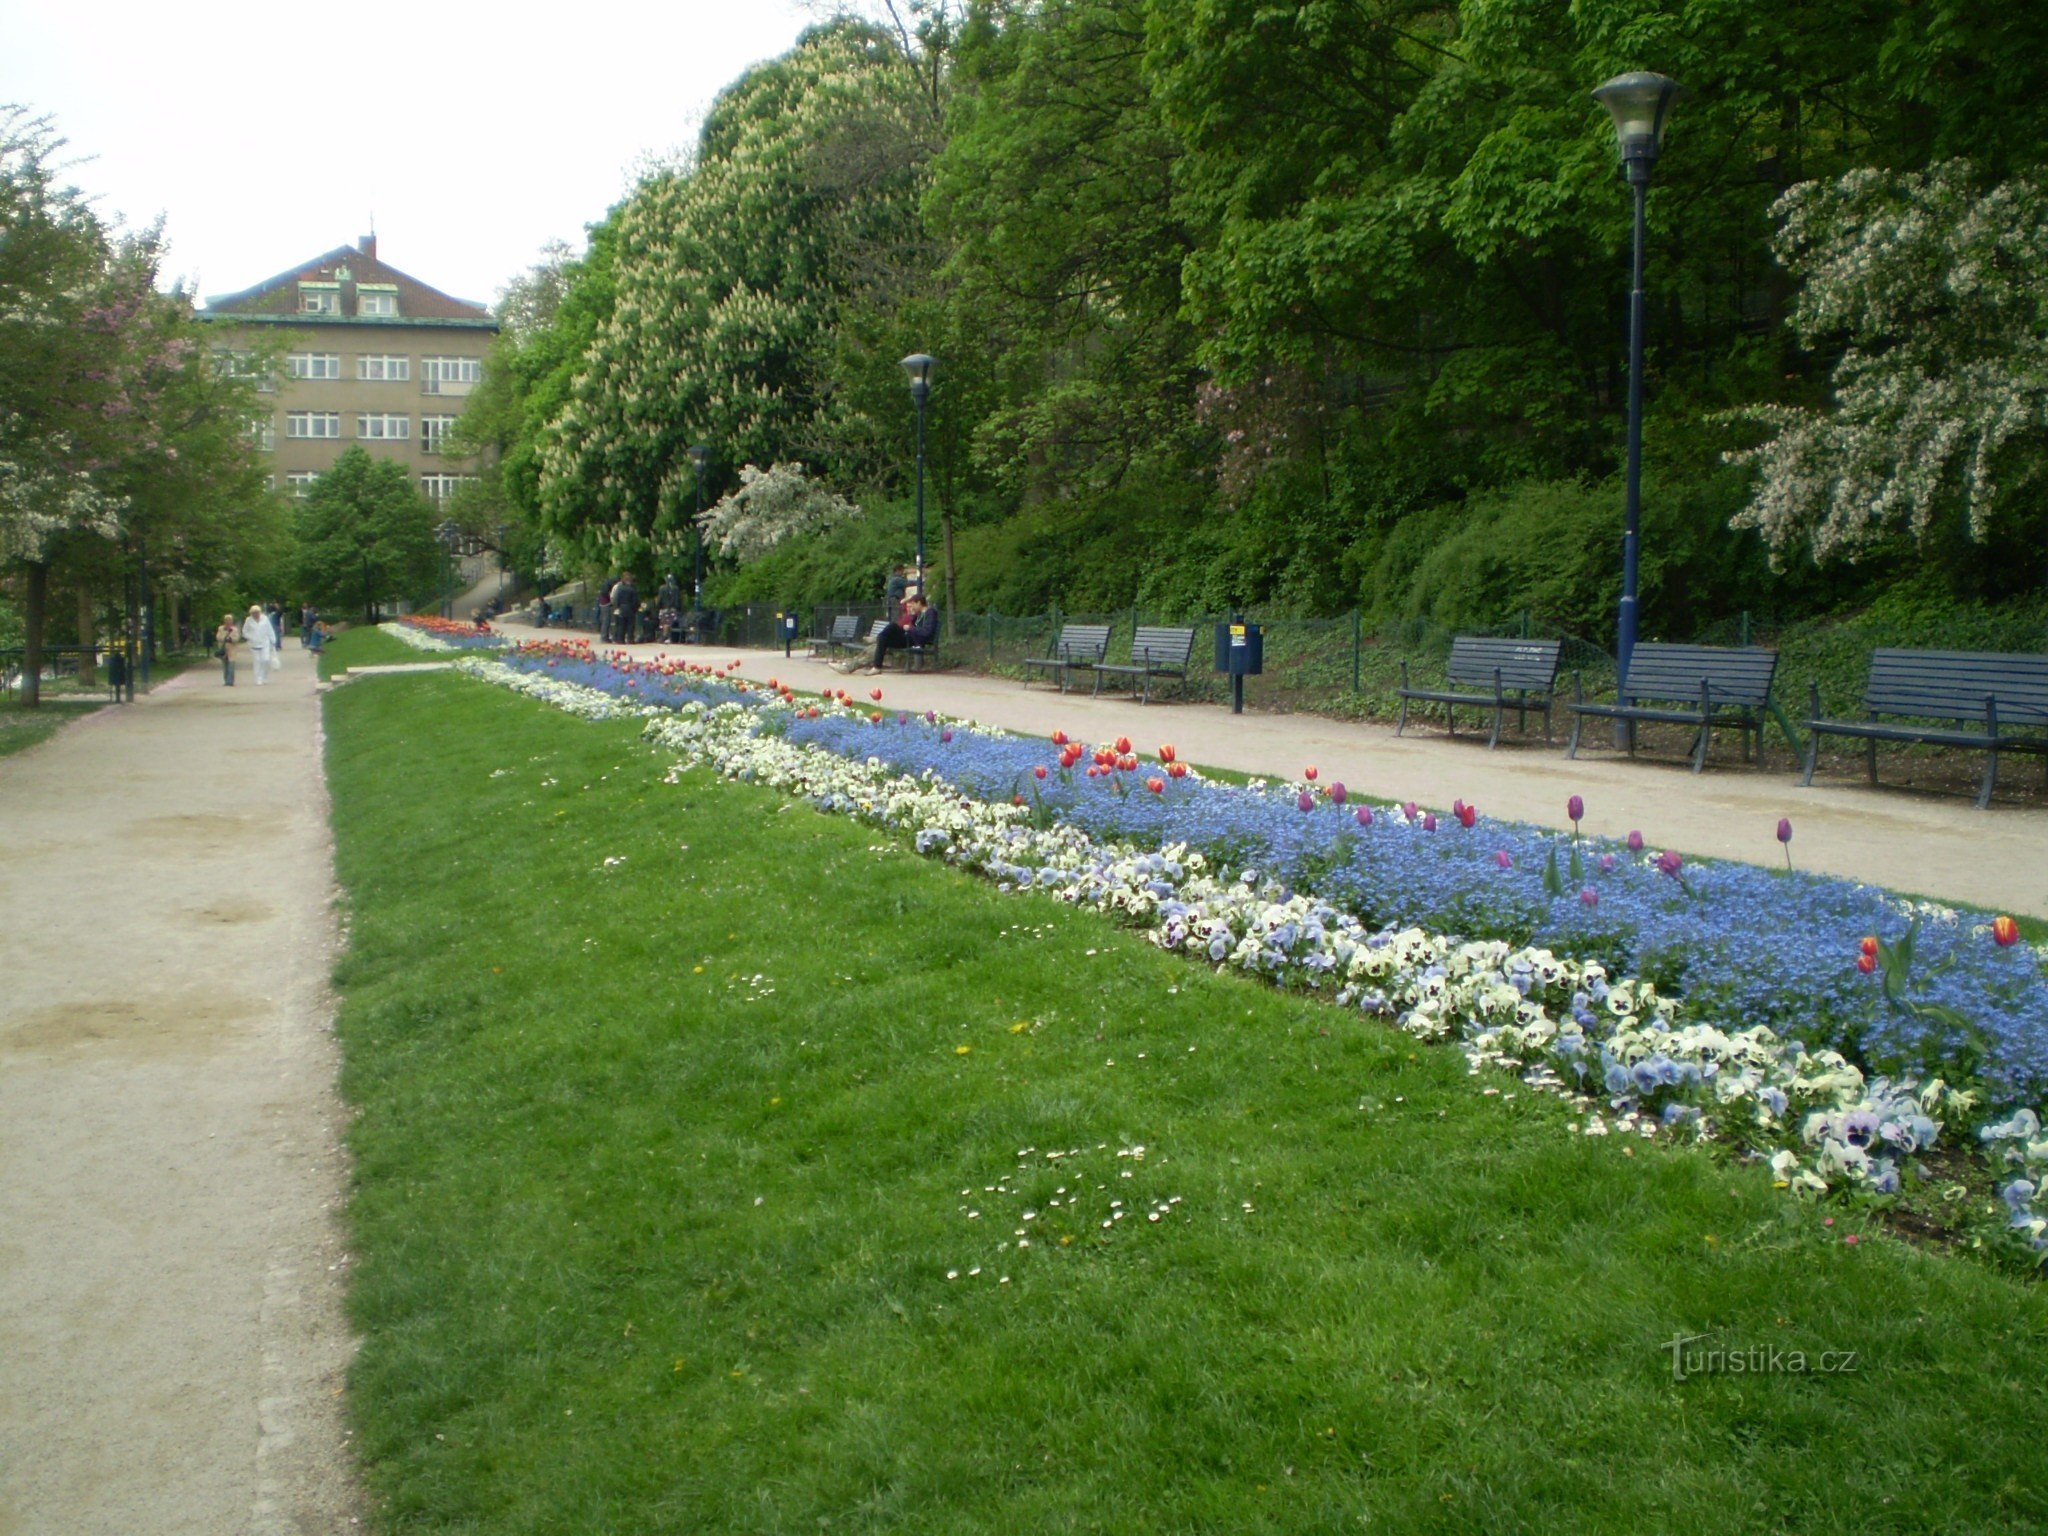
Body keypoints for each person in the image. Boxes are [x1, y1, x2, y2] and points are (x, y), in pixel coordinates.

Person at [864, 592, 938, 672]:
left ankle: (876, 639)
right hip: (909, 637)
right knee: (883, 638)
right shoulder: (919, 614)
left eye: (913, 604)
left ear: (919, 603)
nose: (912, 607)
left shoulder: (930, 612)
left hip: (915, 639)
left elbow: (927, 631)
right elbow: (905, 609)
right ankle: (877, 667)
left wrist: (910, 628)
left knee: (892, 626)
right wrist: (911, 617)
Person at [242, 603, 279, 685]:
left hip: (265, 642)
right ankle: (258, 678)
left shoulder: (265, 619)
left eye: (257, 612)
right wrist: (251, 637)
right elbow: (244, 632)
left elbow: (270, 629)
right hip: (253, 644)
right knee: (257, 661)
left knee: (266, 660)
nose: (256, 614)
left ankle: (264, 676)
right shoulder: (248, 620)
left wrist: (273, 640)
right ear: (251, 614)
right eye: (254, 613)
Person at [611, 572, 640, 646]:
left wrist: (617, 607)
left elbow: (616, 599)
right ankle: (630, 639)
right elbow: (635, 601)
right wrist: (635, 608)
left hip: (621, 608)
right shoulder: (632, 589)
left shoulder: (620, 588)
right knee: (630, 625)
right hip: (630, 608)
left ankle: (620, 639)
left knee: (621, 625)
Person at [215, 613, 238, 686]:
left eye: (230, 620)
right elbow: (218, 637)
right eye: (227, 620)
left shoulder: (234, 629)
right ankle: (226, 680)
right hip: (223, 650)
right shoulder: (221, 628)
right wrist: (225, 638)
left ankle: (230, 681)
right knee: (225, 667)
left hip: (231, 650)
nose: (228, 622)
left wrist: (230, 639)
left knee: (231, 666)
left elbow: (236, 638)